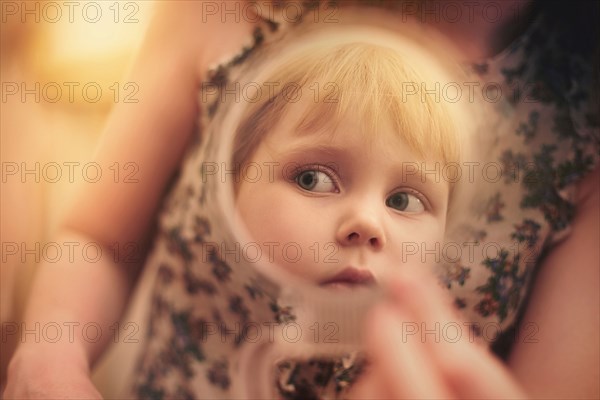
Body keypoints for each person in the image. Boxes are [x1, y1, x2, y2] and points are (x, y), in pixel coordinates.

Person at [4, 1, 598, 399]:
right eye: (314, 178)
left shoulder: (582, 104)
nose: (366, 223)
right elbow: (102, 240)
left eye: (405, 198)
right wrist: (50, 353)